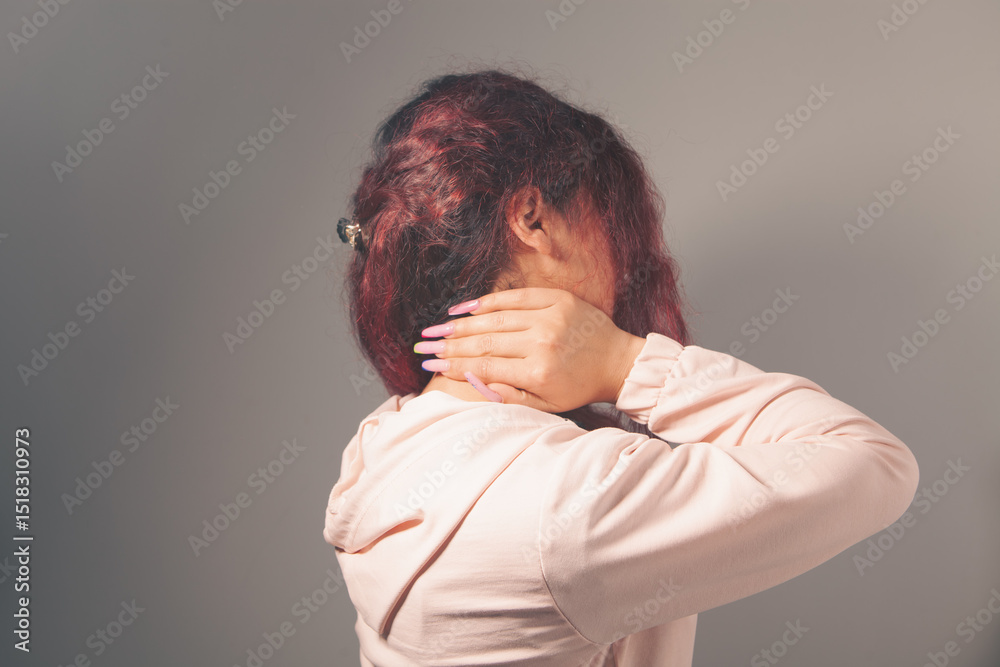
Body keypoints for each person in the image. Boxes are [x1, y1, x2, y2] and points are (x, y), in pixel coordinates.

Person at [323, 68, 920, 666]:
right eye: (606, 215)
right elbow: (875, 463)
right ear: (533, 218)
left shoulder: (379, 444)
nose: (623, 254)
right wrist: (624, 362)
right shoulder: (569, 500)